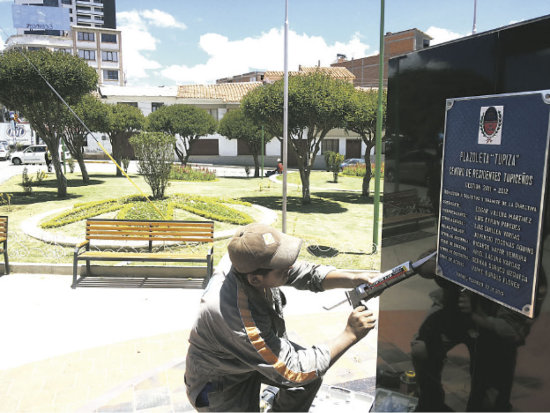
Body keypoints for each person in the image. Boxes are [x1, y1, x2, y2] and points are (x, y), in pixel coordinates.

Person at [185, 223, 378, 411]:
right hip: (220, 383)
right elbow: (295, 370)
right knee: (303, 375)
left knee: (308, 381)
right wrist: (350, 334)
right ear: (256, 279)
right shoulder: (240, 320)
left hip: (245, 358)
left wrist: (353, 278)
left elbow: (304, 272)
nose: (291, 267)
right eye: (283, 267)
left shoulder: (246, 259)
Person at [411, 250, 547, 412]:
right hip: (454, 309)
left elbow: (514, 331)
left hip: (493, 324)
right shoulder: (470, 232)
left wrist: (479, 316)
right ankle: (431, 403)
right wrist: (435, 266)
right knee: (422, 349)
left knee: (488, 401)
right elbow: (426, 262)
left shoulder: (528, 273)